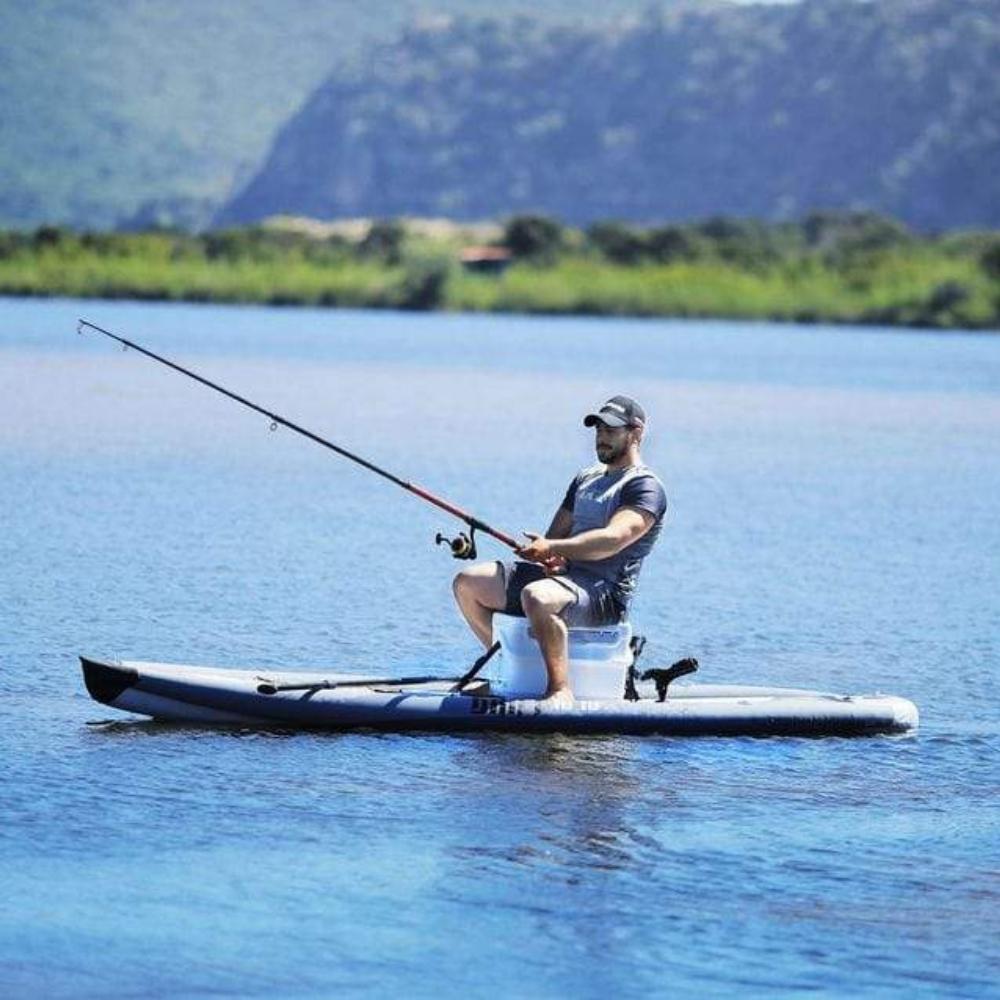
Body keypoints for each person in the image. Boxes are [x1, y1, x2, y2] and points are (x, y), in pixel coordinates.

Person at [452, 395, 667, 706]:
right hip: (565, 579)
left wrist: (554, 548)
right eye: (599, 430)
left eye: (611, 430)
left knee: (538, 597)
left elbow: (613, 539)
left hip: (604, 593)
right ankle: (507, 671)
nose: (602, 437)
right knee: (468, 582)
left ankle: (559, 690)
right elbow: (555, 536)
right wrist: (548, 554)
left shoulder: (644, 487)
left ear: (636, 433)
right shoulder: (586, 478)